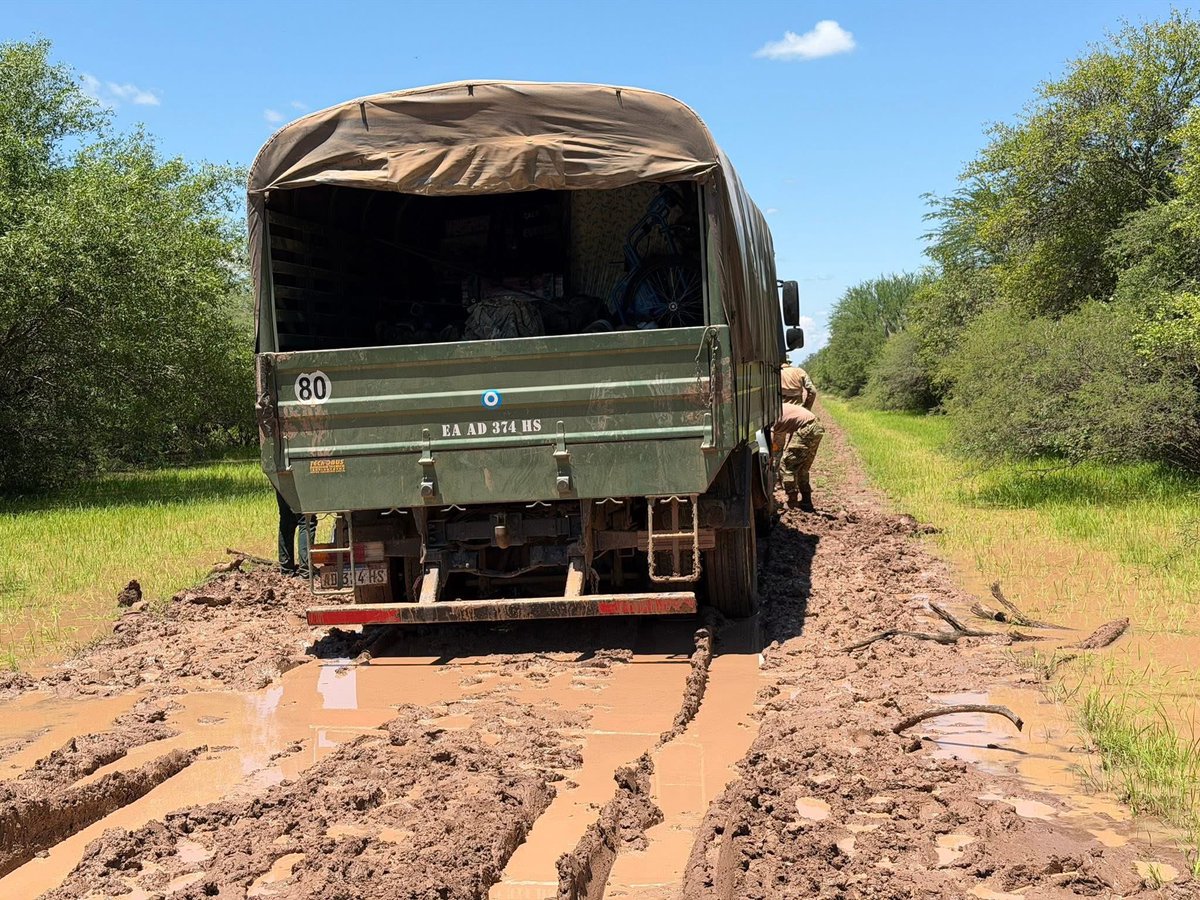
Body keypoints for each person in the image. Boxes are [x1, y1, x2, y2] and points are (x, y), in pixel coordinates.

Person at [774, 363, 824, 511]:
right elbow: (812, 391)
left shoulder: (771, 414)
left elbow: (773, 444)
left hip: (804, 427)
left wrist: (772, 454)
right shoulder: (799, 371)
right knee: (802, 467)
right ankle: (807, 502)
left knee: (785, 463)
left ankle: (792, 500)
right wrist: (806, 408)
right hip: (814, 424)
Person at [276, 488, 316, 577]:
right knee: (307, 520)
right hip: (301, 480)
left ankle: (286, 569)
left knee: (287, 519)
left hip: (280, 478)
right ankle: (306, 571)